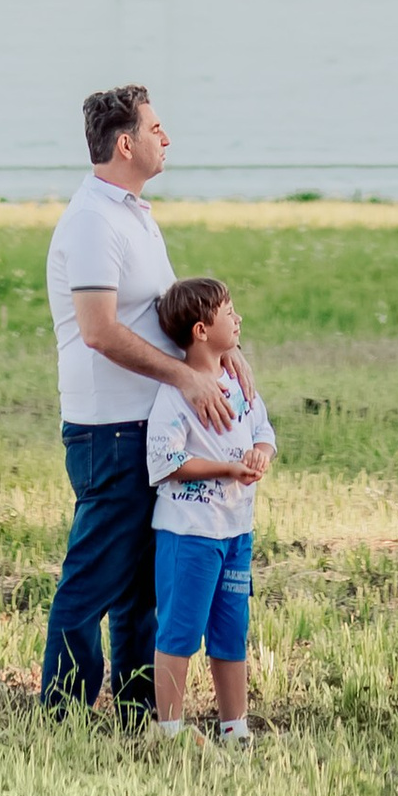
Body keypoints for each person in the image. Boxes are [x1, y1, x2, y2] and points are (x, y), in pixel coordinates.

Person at [41, 84, 232, 719]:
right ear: (126, 144)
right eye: (156, 128)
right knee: (93, 582)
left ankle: (137, 711)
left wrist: (222, 350)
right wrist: (184, 378)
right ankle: (61, 715)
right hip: (110, 431)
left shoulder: (133, 214)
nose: (166, 137)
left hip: (142, 426)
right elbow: (98, 330)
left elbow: (166, 309)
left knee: (141, 589)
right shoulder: (94, 221)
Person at [144, 275, 276, 745]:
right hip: (190, 532)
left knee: (231, 629)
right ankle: (170, 730)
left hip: (236, 531)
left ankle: (234, 726)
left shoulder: (238, 380)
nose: (238, 319)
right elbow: (165, 460)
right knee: (180, 628)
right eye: (229, 312)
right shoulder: (176, 392)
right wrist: (226, 468)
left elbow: (263, 429)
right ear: (201, 330)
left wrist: (260, 453)